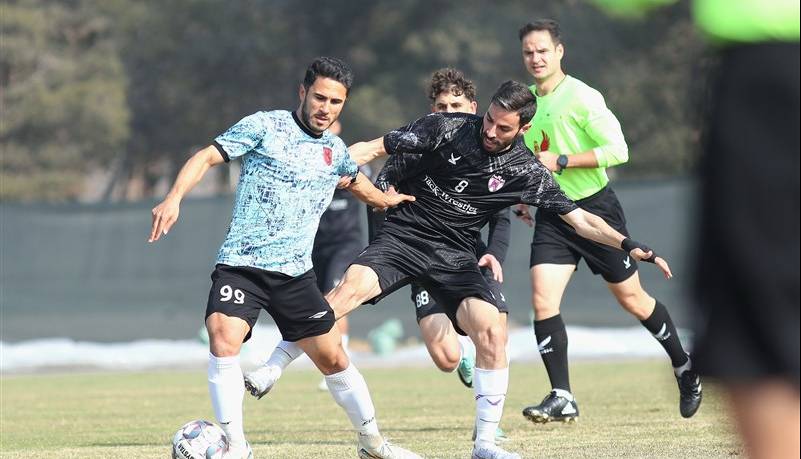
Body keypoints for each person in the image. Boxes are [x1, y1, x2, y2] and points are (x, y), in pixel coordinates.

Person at [243, 80, 672, 459]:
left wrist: (627, 243)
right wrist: (320, 166)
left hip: (456, 255)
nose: (490, 132)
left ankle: (485, 445)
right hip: (404, 237)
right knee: (345, 292)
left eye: (503, 128)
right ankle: (273, 366)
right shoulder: (445, 127)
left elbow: (580, 219)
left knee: (491, 330)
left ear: (523, 129)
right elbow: (372, 148)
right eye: (489, 121)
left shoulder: (525, 170)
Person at [148, 57, 421, 459]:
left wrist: (385, 199)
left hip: (294, 276)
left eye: (336, 102)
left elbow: (357, 183)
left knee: (334, 359)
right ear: (302, 92)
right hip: (241, 264)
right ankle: (236, 448)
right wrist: (173, 198)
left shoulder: (335, 151)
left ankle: (373, 444)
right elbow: (206, 156)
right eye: (320, 97)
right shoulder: (265, 126)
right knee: (223, 337)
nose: (325, 108)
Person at [511, 19, 701, 423]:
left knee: (632, 300)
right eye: (529, 51)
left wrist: (562, 160)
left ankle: (685, 368)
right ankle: (562, 395)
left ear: (559, 51)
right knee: (542, 299)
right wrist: (526, 198)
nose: (536, 58)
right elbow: (525, 156)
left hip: (596, 210)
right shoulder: (524, 102)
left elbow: (618, 150)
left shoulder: (582, 97)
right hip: (553, 212)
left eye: (543, 50)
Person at [370, 68, 512, 442]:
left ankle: (488, 431)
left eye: (456, 105)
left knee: (495, 331)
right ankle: (464, 351)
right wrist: (383, 256)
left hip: (468, 259)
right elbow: (379, 198)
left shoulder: (490, 150)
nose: (448, 111)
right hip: (418, 255)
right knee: (446, 358)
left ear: (473, 108)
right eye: (441, 106)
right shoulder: (419, 142)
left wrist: (494, 254)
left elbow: (501, 216)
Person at [311, 119, 362, 391]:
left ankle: (342, 361)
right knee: (319, 300)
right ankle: (333, 358)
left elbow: (371, 193)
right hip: (316, 244)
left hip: (345, 242)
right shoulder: (308, 162)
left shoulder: (350, 160)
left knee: (334, 297)